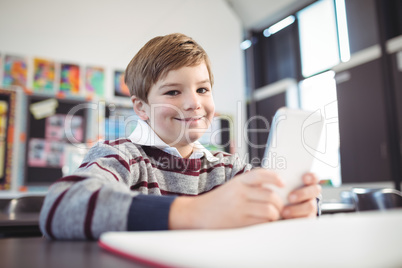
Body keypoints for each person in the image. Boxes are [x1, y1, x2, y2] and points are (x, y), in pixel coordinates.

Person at [39, 33, 322, 240]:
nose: (193, 103)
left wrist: (296, 206)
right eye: (173, 92)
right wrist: (196, 212)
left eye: (202, 89)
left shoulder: (227, 168)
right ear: (141, 107)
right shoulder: (122, 157)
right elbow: (60, 205)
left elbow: (271, 206)